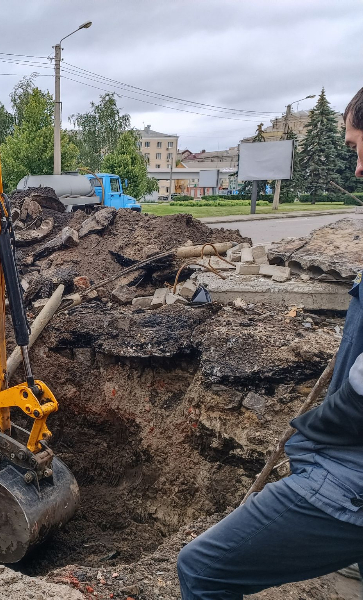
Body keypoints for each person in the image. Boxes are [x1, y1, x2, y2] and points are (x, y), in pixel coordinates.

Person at [177, 87, 363, 599]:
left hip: (352, 476)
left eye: (356, 148)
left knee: (202, 568)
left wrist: (314, 429)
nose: (357, 170)